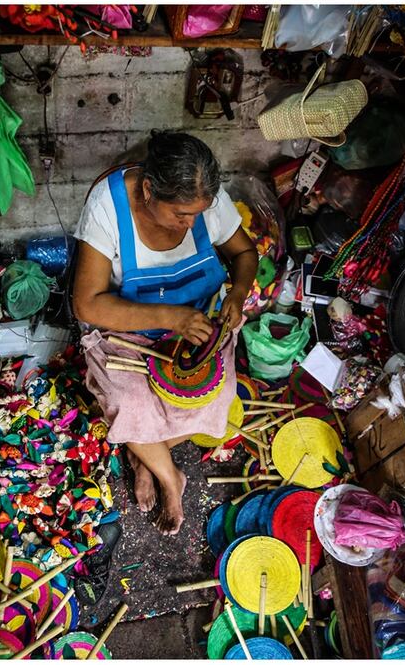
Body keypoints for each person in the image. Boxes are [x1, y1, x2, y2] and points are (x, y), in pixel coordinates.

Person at [73, 131, 259, 535]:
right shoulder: (109, 205)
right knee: (129, 403)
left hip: (196, 328)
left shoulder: (205, 202)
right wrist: (170, 317)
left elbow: (245, 253)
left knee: (218, 399)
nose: (192, 223)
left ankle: (146, 458)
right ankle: (170, 476)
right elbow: (86, 304)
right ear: (147, 189)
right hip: (128, 333)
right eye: (181, 213)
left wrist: (238, 293)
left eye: (198, 212)